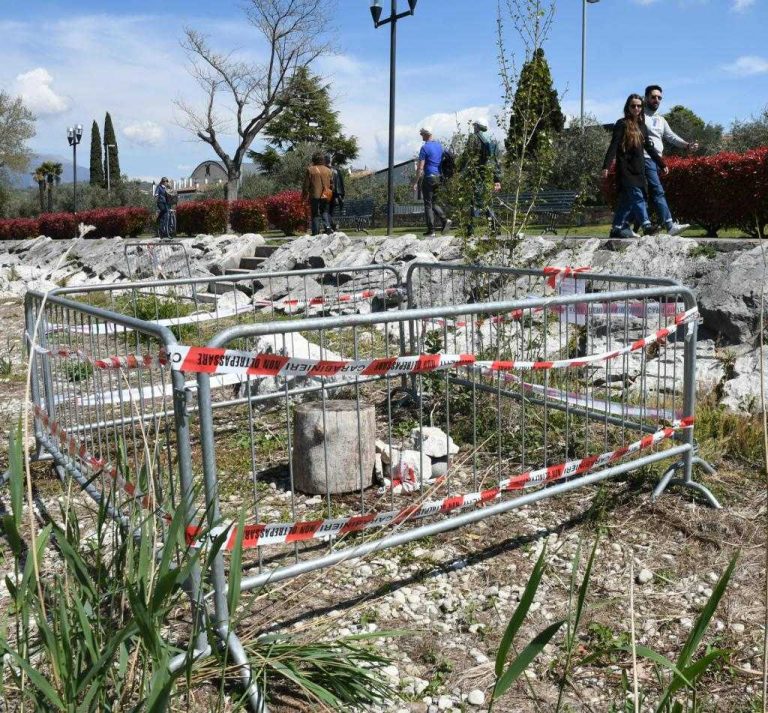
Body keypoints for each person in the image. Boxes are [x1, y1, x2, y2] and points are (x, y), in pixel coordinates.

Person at [601, 94, 666, 239]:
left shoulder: (642, 126)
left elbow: (649, 148)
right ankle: (647, 226)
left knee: (626, 201)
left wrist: (661, 164)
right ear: (628, 107)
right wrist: (606, 166)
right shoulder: (621, 124)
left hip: (639, 169)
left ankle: (616, 229)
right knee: (638, 197)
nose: (636, 108)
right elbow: (613, 145)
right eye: (633, 106)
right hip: (626, 169)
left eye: (639, 106)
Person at [642, 84, 699, 236]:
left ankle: (620, 226)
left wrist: (687, 145)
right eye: (653, 97)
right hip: (645, 157)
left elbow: (671, 136)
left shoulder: (661, 120)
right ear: (646, 98)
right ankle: (669, 225)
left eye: (659, 98)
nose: (656, 100)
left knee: (641, 193)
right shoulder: (639, 116)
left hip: (657, 160)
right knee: (657, 191)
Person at [463, 120, 502, 235]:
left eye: (474, 125)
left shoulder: (473, 138)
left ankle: (472, 230)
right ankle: (494, 228)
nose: (473, 127)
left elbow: (467, 156)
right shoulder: (492, 139)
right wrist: (497, 180)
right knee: (486, 201)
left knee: (476, 201)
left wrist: (462, 172)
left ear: (476, 127)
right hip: (489, 175)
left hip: (477, 174)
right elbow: (496, 161)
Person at [413, 127, 450, 237]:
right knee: (434, 203)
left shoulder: (424, 148)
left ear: (426, 134)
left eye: (422, 134)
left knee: (428, 204)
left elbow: (420, 167)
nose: (421, 136)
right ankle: (445, 220)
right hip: (438, 178)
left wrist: (415, 182)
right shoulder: (439, 146)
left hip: (429, 177)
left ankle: (431, 231)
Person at [302, 151, 333, 236]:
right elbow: (332, 184)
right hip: (326, 194)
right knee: (325, 212)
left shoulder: (310, 170)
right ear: (322, 160)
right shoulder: (328, 170)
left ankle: (315, 233)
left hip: (315, 195)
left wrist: (304, 196)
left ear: (313, 159)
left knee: (315, 214)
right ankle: (328, 228)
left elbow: (306, 185)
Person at [325, 154, 345, 232]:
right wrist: (340, 196)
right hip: (336, 194)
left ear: (325, 161)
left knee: (326, 211)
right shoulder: (336, 170)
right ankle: (331, 227)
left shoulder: (324, 170)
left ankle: (331, 227)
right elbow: (341, 185)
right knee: (330, 212)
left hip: (327, 193)